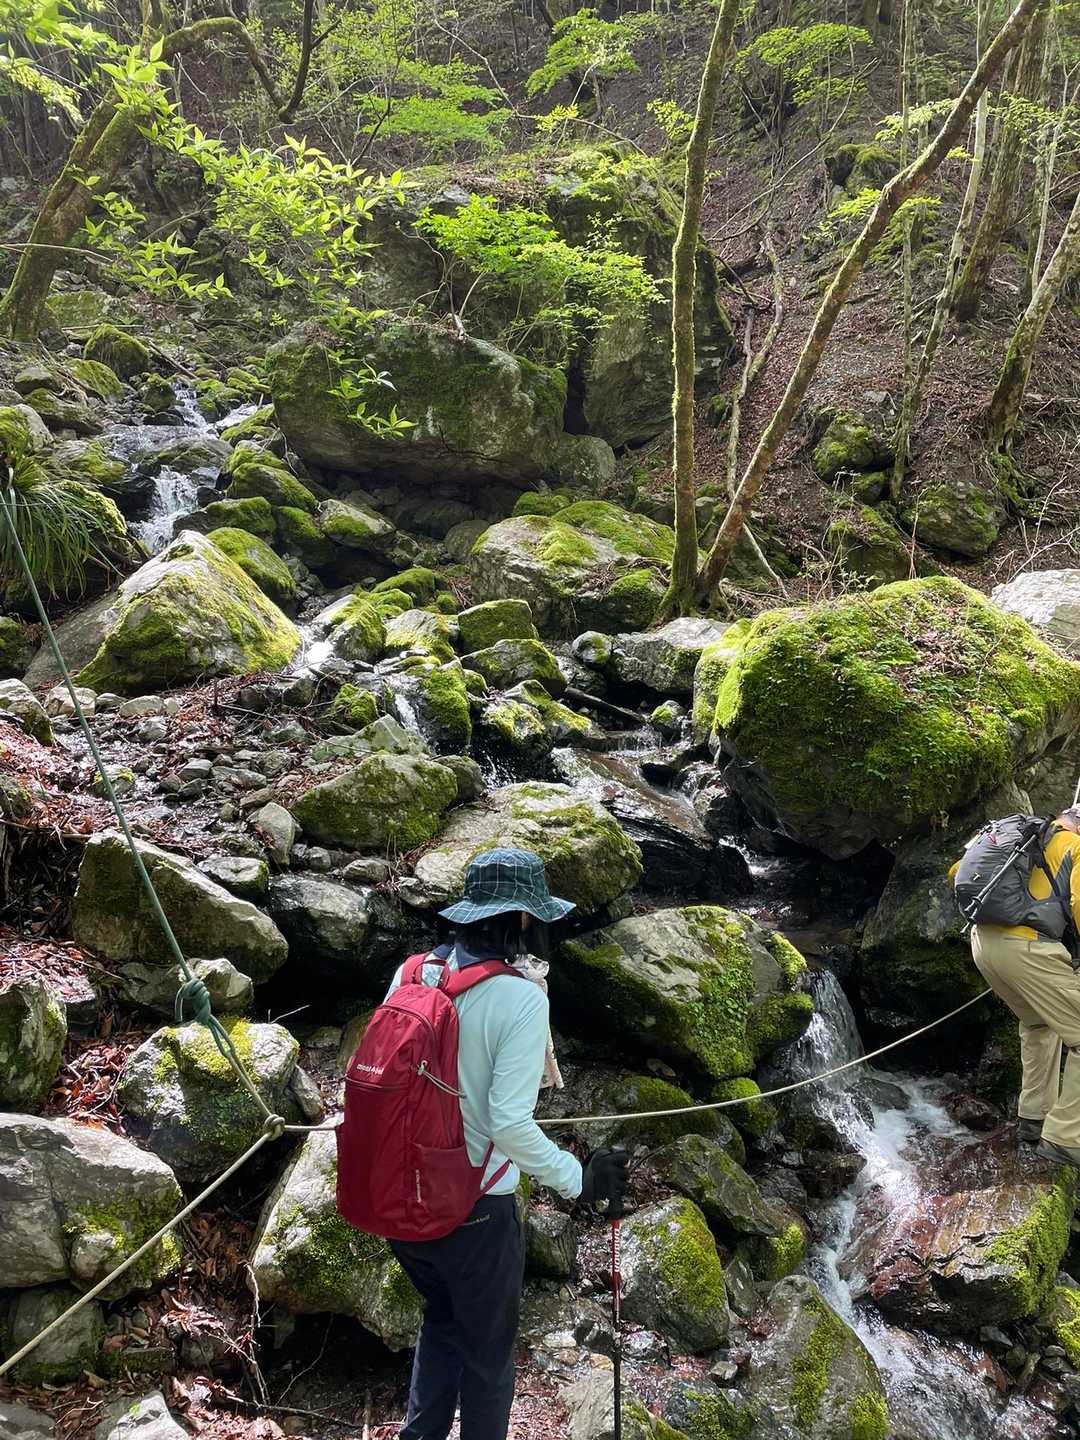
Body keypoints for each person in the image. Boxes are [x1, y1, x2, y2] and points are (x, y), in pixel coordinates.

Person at [383, 847, 629, 1440]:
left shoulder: (411, 974)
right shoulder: (522, 999)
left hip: (401, 1200)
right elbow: (507, 1123)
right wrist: (579, 1178)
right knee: (489, 1359)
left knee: (442, 1319)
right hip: (475, 1211)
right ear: (520, 918)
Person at [957, 806, 1080, 1168]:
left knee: (1040, 1023)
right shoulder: (1073, 847)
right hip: (1027, 949)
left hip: (983, 943)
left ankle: (1034, 1117)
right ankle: (1067, 1138)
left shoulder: (1017, 836)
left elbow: (958, 874)